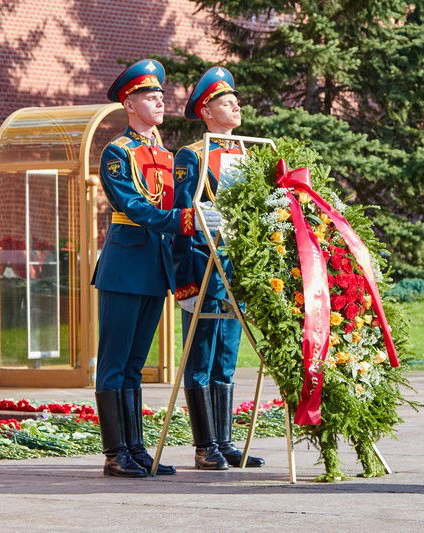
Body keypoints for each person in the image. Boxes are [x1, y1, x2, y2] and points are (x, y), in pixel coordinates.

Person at [93, 59, 222, 477]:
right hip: (125, 265)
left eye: (161, 96)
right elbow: (131, 205)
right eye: (150, 96)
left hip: (154, 266)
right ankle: (116, 454)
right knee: (115, 362)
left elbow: (180, 200)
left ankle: (137, 449)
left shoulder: (166, 154)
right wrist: (185, 220)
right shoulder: (118, 152)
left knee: (135, 364)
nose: (160, 102)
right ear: (129, 103)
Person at [172, 66, 265, 469]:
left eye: (237, 102)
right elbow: (181, 218)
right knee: (202, 351)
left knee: (227, 351)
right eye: (228, 103)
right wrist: (186, 281)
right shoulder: (192, 155)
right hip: (204, 265)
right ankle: (204, 445)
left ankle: (224, 441)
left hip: (236, 267)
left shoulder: (245, 153)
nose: (237, 107)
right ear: (207, 110)